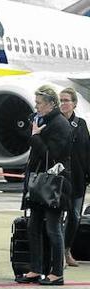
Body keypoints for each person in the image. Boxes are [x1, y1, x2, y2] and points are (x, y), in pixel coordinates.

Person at [15, 85, 72, 286]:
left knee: (53, 228)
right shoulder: (44, 121)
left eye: (39, 103)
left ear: (50, 104)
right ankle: (36, 269)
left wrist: (36, 136)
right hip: (40, 184)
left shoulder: (60, 124)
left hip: (54, 185)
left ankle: (57, 272)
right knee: (33, 226)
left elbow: (52, 156)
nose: (36, 107)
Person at [59, 87, 90, 267]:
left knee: (74, 216)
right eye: (61, 101)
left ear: (74, 104)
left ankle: (66, 250)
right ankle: (56, 253)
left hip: (77, 178)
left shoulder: (81, 124)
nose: (63, 104)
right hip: (59, 178)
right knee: (56, 216)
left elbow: (86, 152)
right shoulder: (53, 123)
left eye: (66, 100)